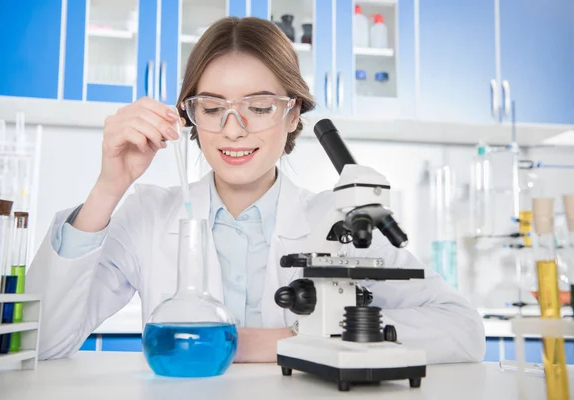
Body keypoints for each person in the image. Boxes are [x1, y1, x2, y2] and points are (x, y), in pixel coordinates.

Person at [26, 17, 485, 364]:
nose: (233, 129)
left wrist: (291, 340)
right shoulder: (149, 215)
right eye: (213, 107)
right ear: (190, 117)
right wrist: (110, 185)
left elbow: (463, 329)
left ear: (292, 115)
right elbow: (39, 342)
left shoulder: (341, 221)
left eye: (260, 107)